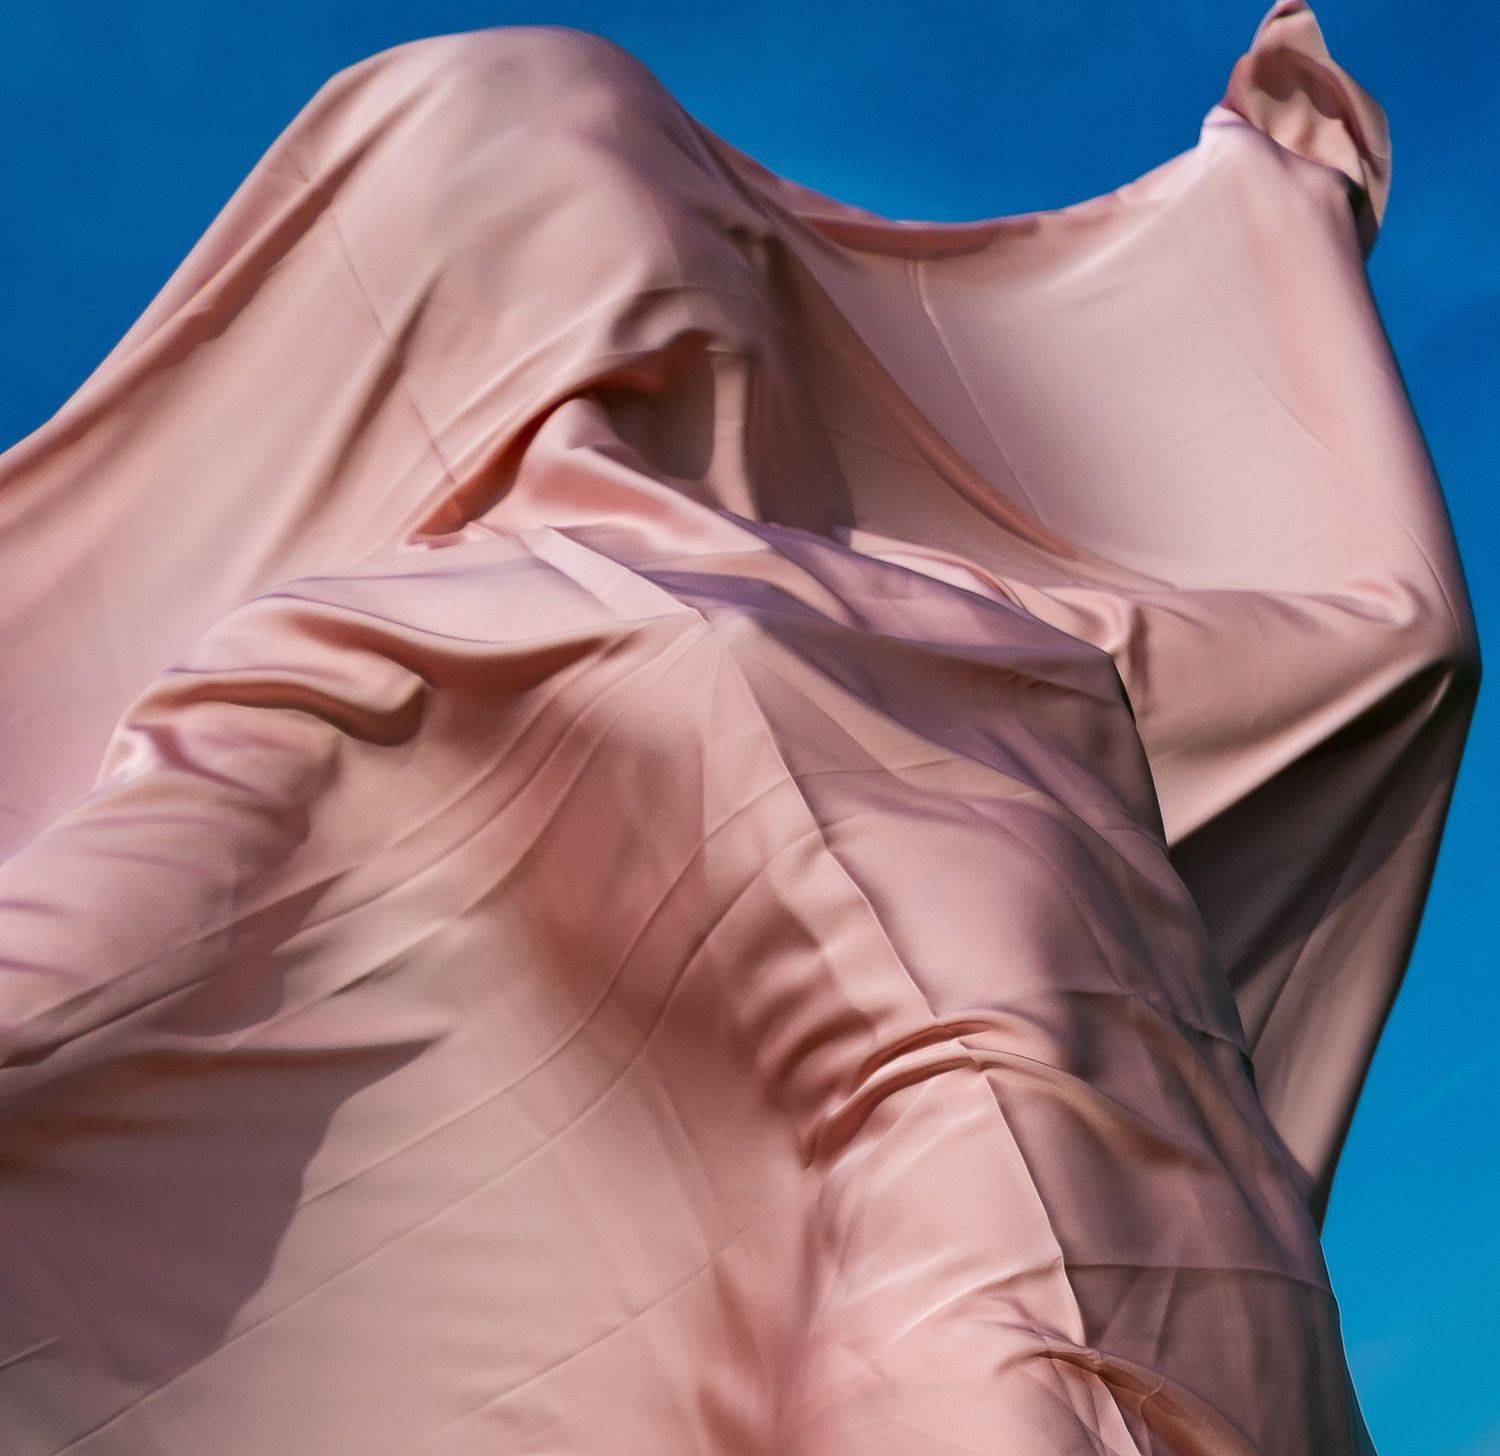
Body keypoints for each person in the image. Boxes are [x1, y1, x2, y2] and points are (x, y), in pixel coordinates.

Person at [0, 4, 1476, 1452]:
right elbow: (97, 967)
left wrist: (1273, 220)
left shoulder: (986, 611)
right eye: (546, 201)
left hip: (1209, 1300)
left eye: (666, 196)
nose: (650, 250)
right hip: (933, 1319)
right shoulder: (370, 650)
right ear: (436, 284)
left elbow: (1384, 645)